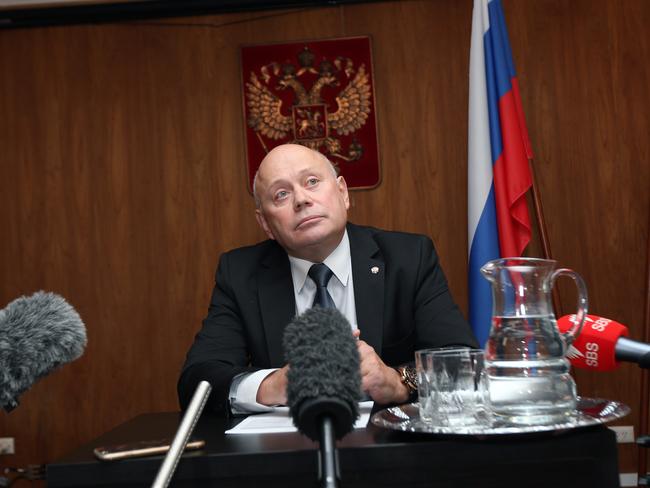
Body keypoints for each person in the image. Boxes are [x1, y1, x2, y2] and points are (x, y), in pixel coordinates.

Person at [178, 143, 478, 415]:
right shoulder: (241, 273)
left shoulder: (408, 257)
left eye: (312, 182)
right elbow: (197, 382)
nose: (301, 200)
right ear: (265, 223)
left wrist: (397, 382)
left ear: (343, 193)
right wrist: (274, 385)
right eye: (281, 194)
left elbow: (464, 365)